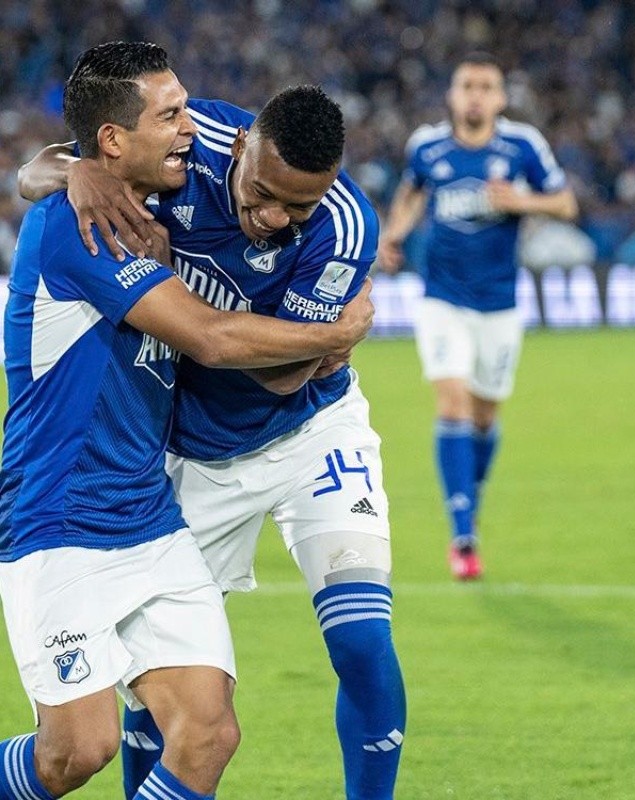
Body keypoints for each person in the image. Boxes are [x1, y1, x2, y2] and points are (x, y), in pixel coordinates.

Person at [21, 63, 406, 800]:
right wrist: (81, 174)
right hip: (189, 454)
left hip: (311, 434)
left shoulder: (345, 224)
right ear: (241, 150)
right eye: (261, 195)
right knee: (158, 691)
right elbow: (31, 174)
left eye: (298, 207)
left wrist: (208, 309)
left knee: (362, 639)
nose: (273, 219)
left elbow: (285, 376)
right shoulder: (189, 141)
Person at [377, 52, 578, 580]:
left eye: (486, 87)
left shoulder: (522, 146)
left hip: (500, 304)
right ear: (452, 94)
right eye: (467, 85)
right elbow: (411, 193)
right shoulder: (426, 146)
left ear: (500, 98)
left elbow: (566, 205)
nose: (475, 95)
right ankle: (462, 538)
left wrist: (521, 200)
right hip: (442, 298)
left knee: (485, 417)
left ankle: (470, 494)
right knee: (453, 401)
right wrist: (394, 234)